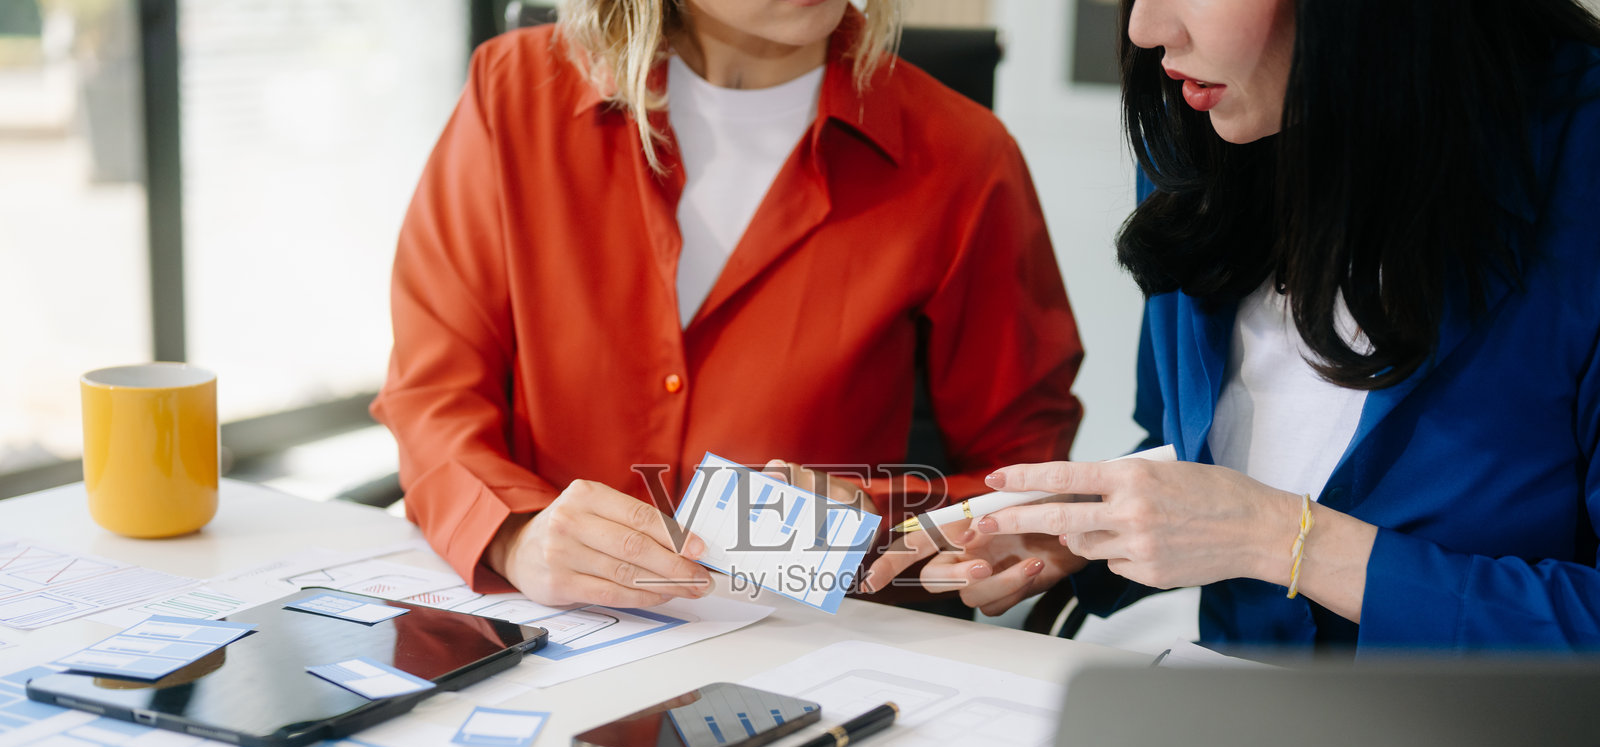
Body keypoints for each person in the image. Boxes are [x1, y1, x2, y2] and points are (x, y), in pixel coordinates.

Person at [865, 0, 1600, 653]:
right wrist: (1083, 529)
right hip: (1239, 728)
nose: (1145, 29)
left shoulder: (1578, 159)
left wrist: (1283, 539)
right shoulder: (1202, 128)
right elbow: (1193, 454)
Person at [371, 0, 1084, 610]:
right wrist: (515, 535)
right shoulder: (512, 94)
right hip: (554, 628)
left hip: (815, 647)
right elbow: (433, 395)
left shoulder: (963, 155)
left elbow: (1021, 472)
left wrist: (884, 524)